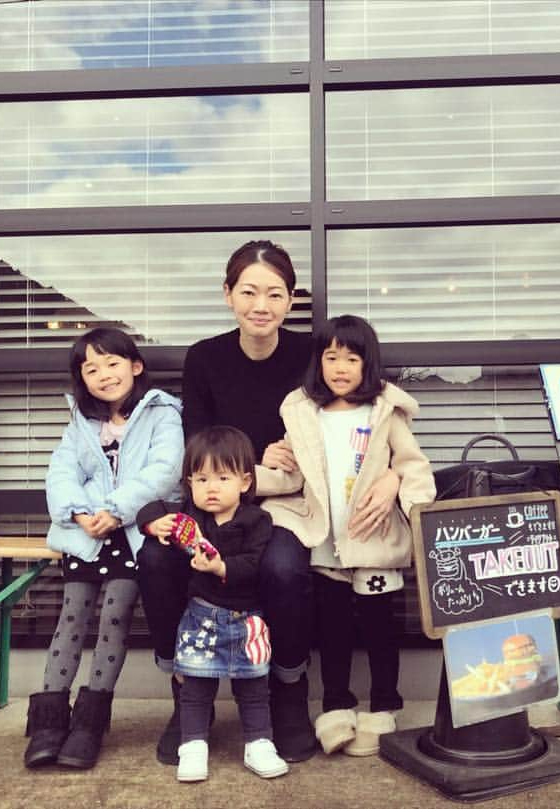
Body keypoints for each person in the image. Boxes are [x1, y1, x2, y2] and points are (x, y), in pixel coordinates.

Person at [137, 240, 400, 764]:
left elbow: (366, 415)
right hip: (213, 499)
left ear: (290, 299)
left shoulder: (311, 355)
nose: (262, 304)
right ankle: (188, 692)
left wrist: (391, 473)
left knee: (284, 568)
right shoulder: (205, 357)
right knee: (156, 559)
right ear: (228, 294)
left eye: (275, 293)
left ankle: (287, 694)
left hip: (285, 505)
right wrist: (254, 465)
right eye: (249, 291)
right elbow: (198, 442)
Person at [256, 315, 436, 757]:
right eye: (331, 357)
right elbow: (288, 475)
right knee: (332, 627)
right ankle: (336, 704)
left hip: (373, 541)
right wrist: (251, 477)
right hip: (326, 541)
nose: (340, 368)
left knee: (378, 627)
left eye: (351, 358)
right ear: (318, 362)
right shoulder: (303, 413)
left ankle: (384, 705)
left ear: (367, 365)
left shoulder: (384, 413)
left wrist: (418, 514)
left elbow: (413, 467)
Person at [24, 328, 183, 770]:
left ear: (135, 366)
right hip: (88, 533)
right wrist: (76, 513)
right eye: (90, 368)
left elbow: (165, 470)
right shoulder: (81, 420)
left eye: (112, 363)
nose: (103, 375)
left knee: (114, 618)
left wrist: (116, 510)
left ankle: (89, 725)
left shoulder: (163, 413)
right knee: (71, 617)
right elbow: (61, 470)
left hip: (133, 533)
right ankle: (49, 722)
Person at [137, 426, 289, 782]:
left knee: (253, 689)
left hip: (247, 619)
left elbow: (255, 564)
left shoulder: (257, 521)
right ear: (189, 483)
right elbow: (153, 509)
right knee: (195, 689)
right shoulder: (191, 518)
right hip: (200, 618)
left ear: (245, 482)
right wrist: (152, 524)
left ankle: (259, 744)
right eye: (201, 479)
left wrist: (221, 566)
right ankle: (193, 746)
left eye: (223, 477)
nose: (212, 487)